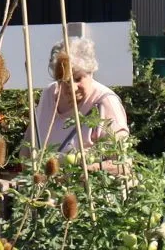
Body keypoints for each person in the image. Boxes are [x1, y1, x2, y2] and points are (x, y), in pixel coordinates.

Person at [31, 25, 129, 155]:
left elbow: (120, 163)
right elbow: (27, 149)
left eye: (77, 79)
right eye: (64, 80)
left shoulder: (105, 103)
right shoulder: (49, 94)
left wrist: (74, 165)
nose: (71, 87)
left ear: (91, 72)